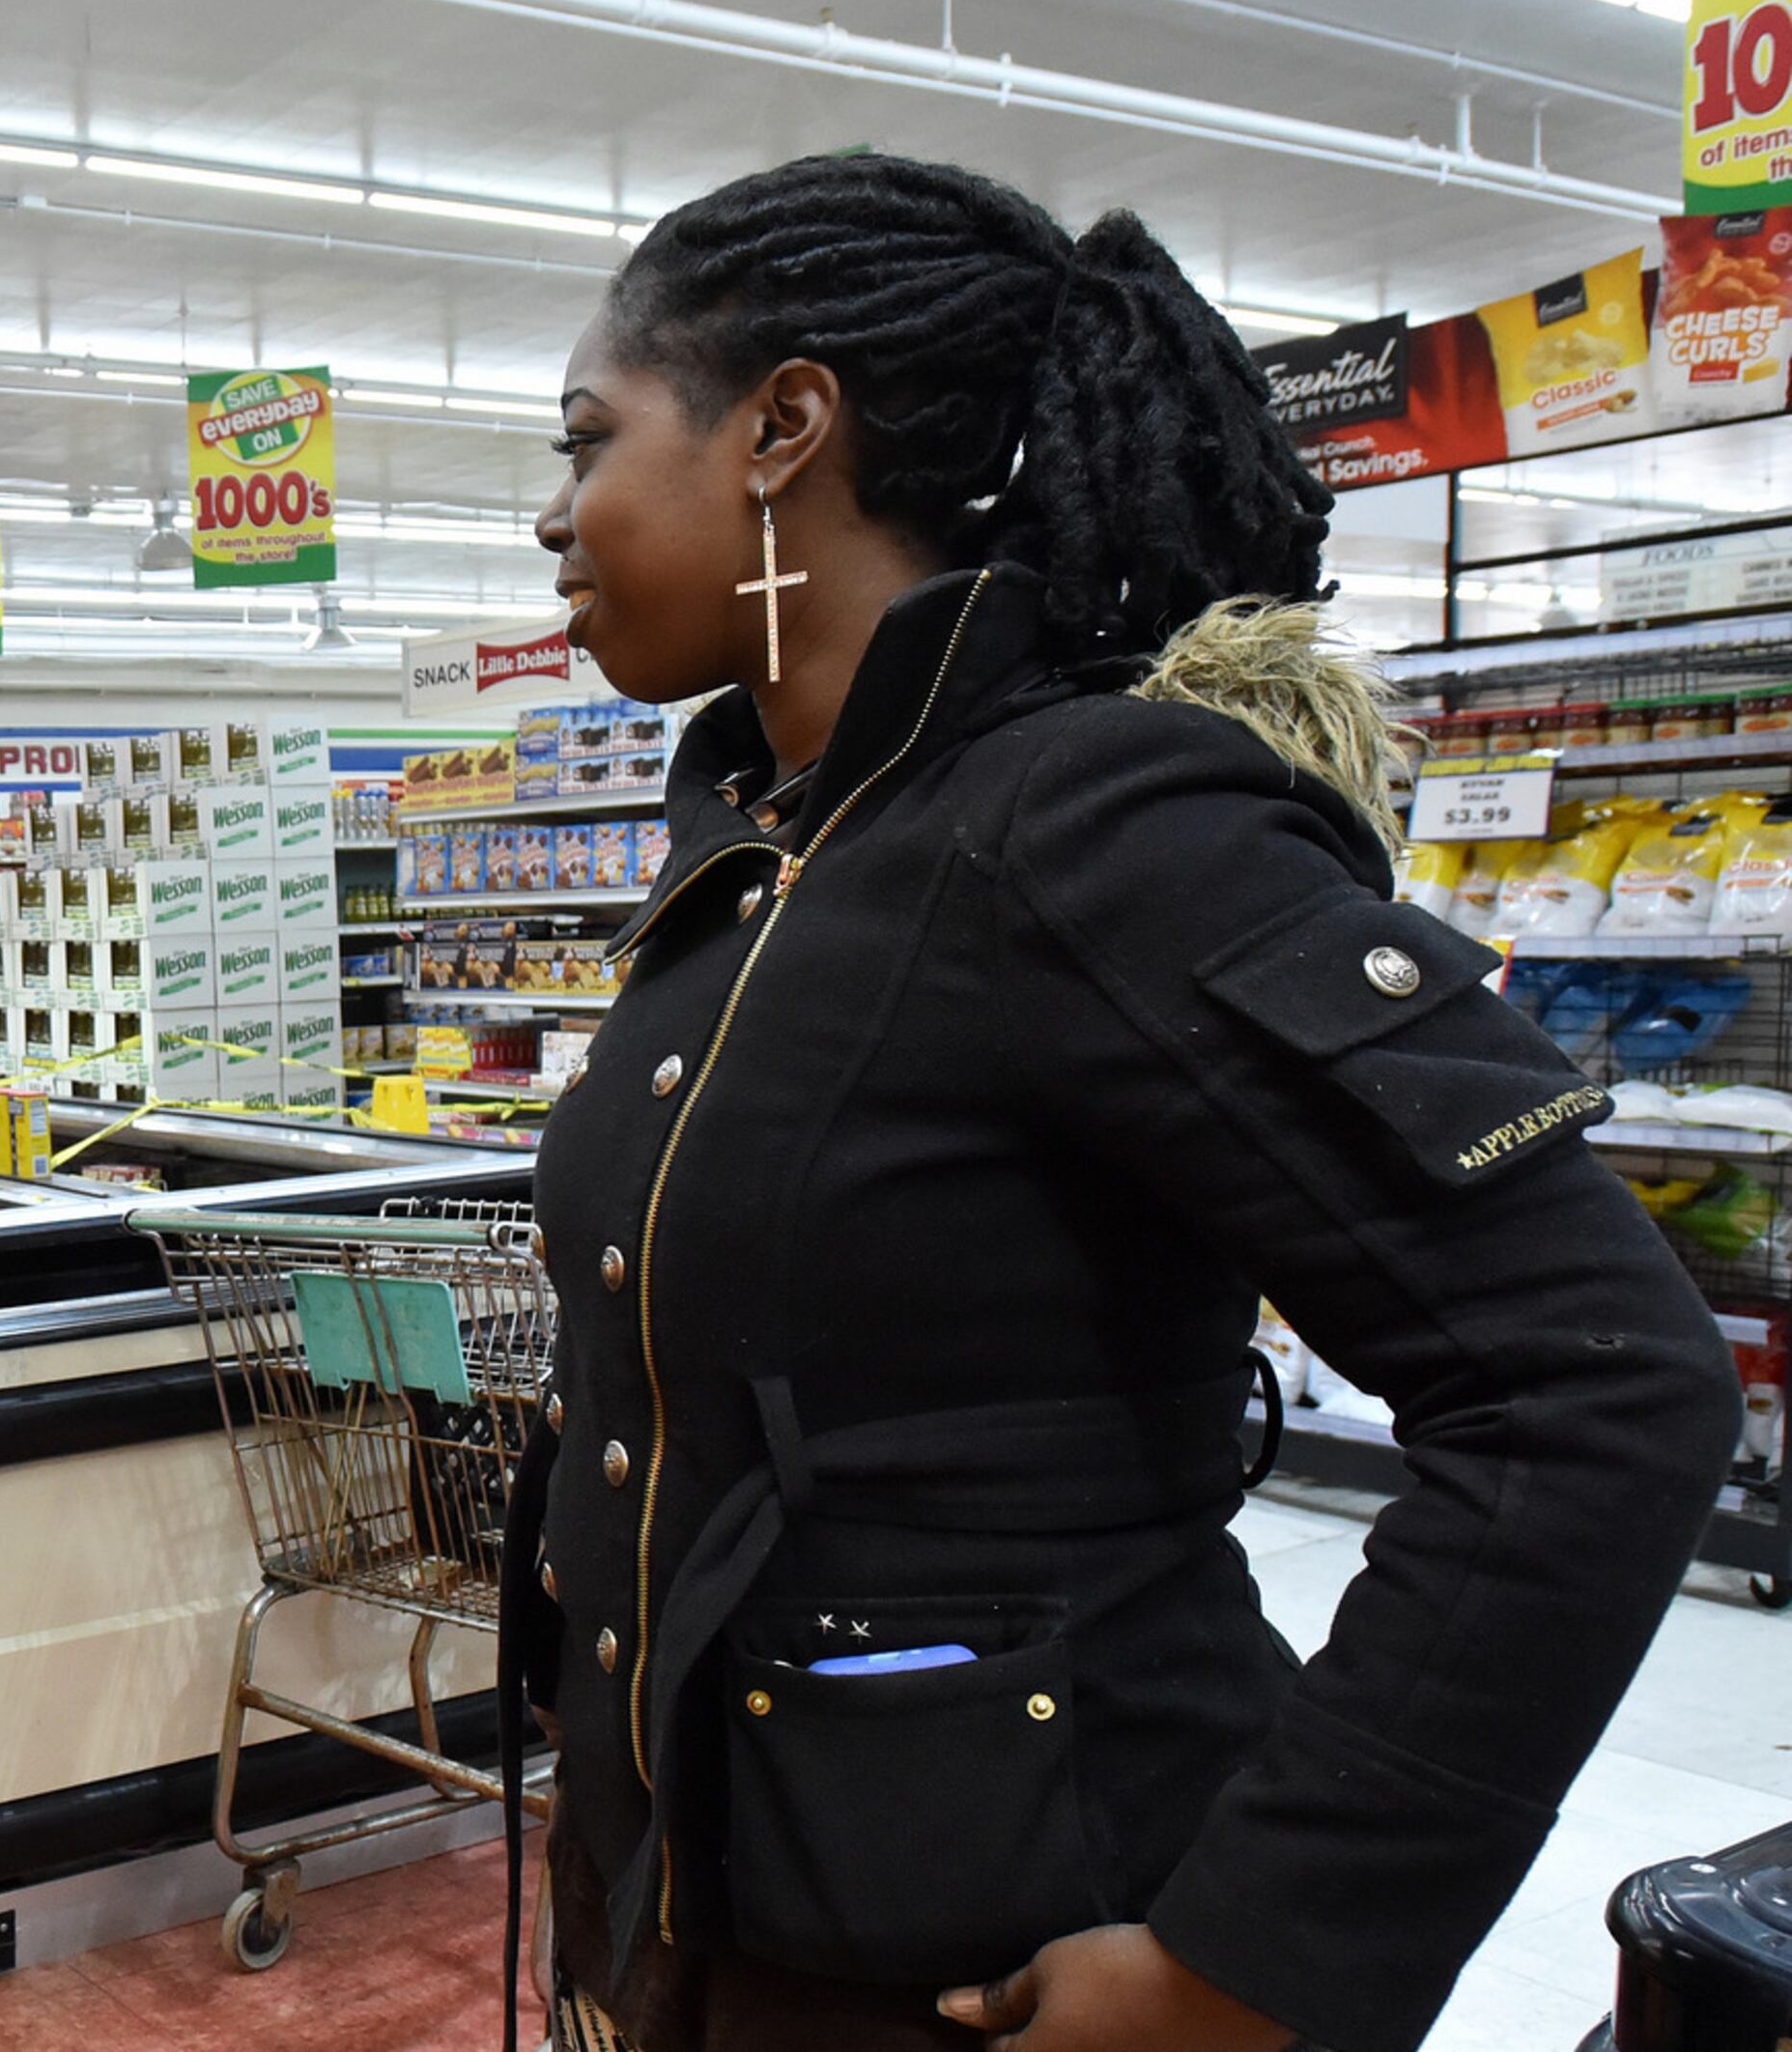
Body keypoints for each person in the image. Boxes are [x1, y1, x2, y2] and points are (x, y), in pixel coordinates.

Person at [496, 154, 1742, 2052]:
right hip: (718, 1912)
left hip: (999, 1952)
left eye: (591, 440)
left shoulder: (1086, 826)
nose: (552, 519)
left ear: (784, 429)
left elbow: (1600, 1381)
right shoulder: (773, 853)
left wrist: (1258, 1960)